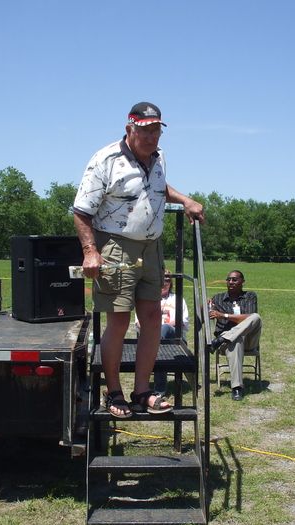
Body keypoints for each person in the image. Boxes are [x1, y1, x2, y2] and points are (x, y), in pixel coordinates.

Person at [73, 101, 205, 419]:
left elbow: (157, 188)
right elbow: (81, 210)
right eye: (145, 131)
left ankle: (142, 391)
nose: (151, 137)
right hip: (116, 245)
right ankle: (114, 392)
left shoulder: (159, 158)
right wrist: (90, 251)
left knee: (152, 317)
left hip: (152, 247)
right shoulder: (106, 159)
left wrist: (184, 200)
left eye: (156, 130)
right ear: (129, 129)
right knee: (119, 320)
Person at [135, 270, 190, 397]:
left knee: (164, 329)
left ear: (171, 283)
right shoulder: (147, 300)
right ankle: (159, 389)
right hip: (151, 337)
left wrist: (161, 327)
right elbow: (138, 323)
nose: (165, 283)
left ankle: (159, 389)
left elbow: (183, 321)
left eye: (168, 280)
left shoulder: (178, 299)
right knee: (159, 344)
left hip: (174, 338)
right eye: (162, 280)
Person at [208, 270, 262, 401]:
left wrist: (224, 315)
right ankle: (237, 388)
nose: (231, 282)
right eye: (229, 279)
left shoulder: (250, 296)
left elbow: (249, 318)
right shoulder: (218, 298)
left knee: (256, 317)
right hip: (227, 345)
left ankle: (223, 338)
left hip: (248, 340)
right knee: (235, 340)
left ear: (242, 281)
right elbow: (205, 315)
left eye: (234, 279)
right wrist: (204, 305)